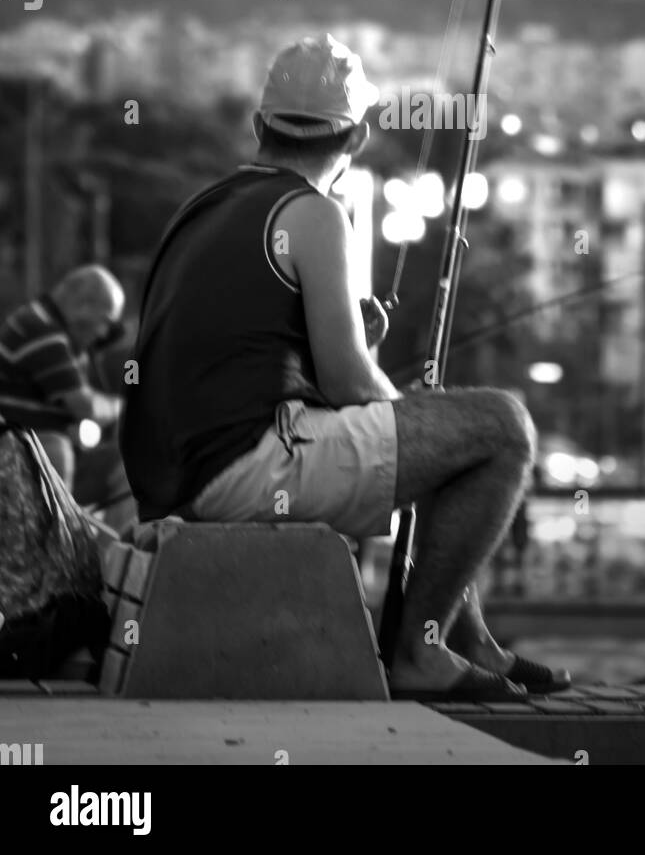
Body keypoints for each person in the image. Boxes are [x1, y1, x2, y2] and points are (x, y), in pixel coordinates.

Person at [121, 34, 569, 700]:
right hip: (239, 470)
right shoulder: (313, 213)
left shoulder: (201, 208)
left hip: (170, 474)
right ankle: (420, 654)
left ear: (258, 125)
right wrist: (399, 401)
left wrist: (372, 381)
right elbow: (347, 384)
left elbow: (246, 363)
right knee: (503, 428)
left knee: (443, 441)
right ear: (357, 138)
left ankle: (471, 642)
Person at [0, 265, 126, 488]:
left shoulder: (51, 328)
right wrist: (122, 407)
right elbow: (84, 405)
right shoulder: (42, 330)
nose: (104, 333)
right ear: (83, 305)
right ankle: (62, 522)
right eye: (105, 321)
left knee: (127, 457)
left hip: (32, 445)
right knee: (126, 462)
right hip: (23, 449)